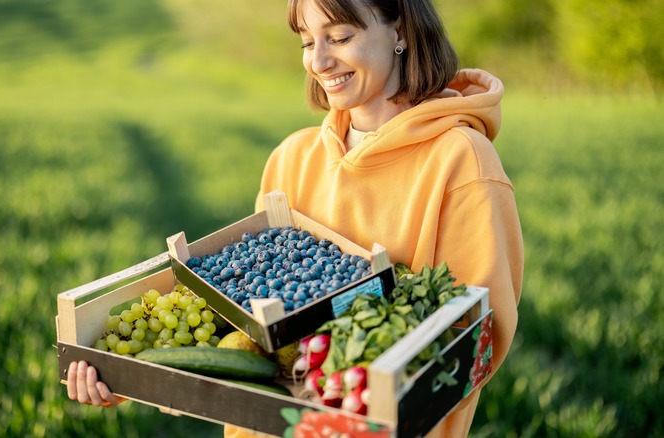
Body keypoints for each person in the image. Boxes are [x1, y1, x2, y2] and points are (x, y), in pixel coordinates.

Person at [68, 0, 524, 436]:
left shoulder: (461, 163)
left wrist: (355, 397)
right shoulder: (292, 158)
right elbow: (235, 319)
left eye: (340, 36)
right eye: (307, 42)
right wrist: (131, 374)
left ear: (399, 30)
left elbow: (478, 337)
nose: (320, 61)